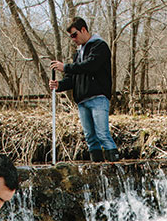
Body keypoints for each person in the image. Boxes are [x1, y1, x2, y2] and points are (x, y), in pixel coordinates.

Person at [50, 17, 119, 162]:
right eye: (70, 37)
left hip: (98, 98)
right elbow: (72, 78)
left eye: (74, 35)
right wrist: (59, 85)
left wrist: (66, 67)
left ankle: (115, 169)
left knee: (102, 134)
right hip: (82, 101)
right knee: (90, 138)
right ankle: (98, 171)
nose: (73, 39)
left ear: (83, 30)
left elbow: (91, 66)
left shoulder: (99, 46)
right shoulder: (77, 55)